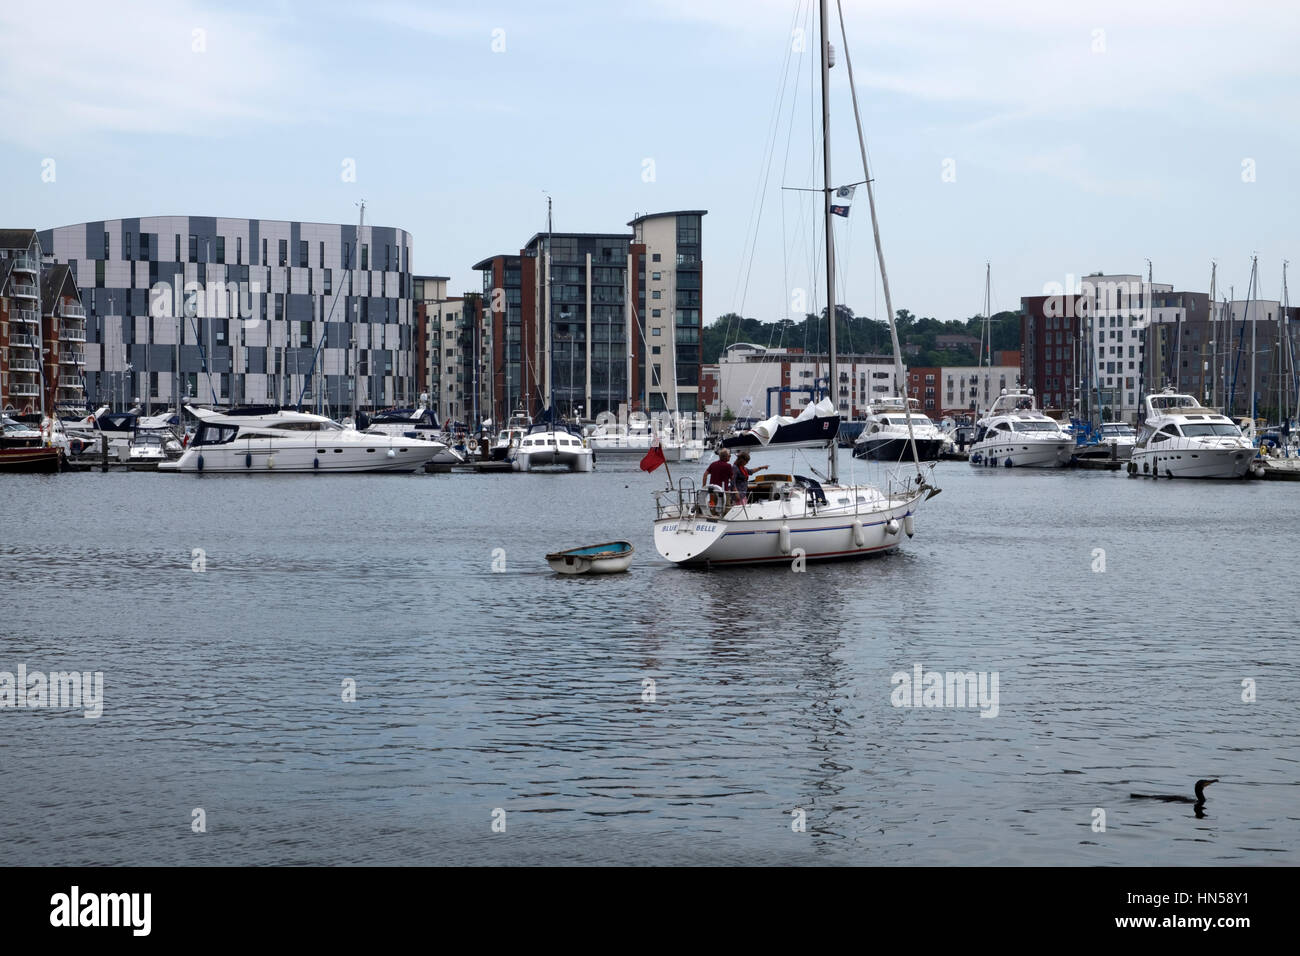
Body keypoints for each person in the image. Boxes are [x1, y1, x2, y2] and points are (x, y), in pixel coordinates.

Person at [702, 448, 733, 514]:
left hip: (712, 490)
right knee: (726, 507)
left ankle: (713, 519)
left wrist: (704, 486)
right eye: (729, 455)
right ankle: (724, 520)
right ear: (725, 457)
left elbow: (705, 475)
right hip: (723, 491)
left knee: (713, 507)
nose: (730, 457)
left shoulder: (713, 464)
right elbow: (732, 478)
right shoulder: (728, 466)